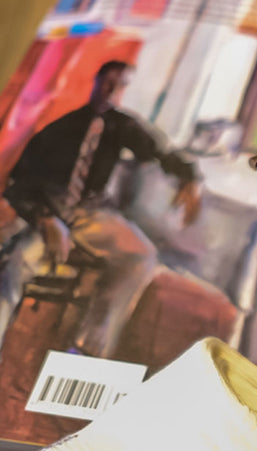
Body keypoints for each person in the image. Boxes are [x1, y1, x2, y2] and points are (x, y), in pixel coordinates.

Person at [3, 60, 202, 357]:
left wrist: (190, 177)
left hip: (93, 214)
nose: (113, 91)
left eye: (121, 85)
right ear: (96, 81)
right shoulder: (58, 130)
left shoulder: (122, 125)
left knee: (141, 255)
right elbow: (17, 186)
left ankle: (88, 346)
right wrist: (45, 219)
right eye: (109, 82)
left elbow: (160, 151)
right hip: (50, 215)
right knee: (16, 264)